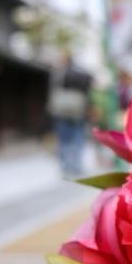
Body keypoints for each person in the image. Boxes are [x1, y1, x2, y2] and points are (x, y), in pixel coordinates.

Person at [48, 49, 93, 178]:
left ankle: (66, 166)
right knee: (78, 138)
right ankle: (77, 165)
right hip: (78, 109)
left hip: (62, 111)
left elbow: (53, 91)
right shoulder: (82, 72)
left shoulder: (59, 73)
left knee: (64, 140)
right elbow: (89, 86)